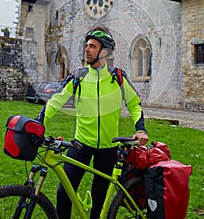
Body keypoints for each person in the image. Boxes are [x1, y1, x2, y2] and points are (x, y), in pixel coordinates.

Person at [37, 27, 148, 219]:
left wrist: (140, 129)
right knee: (64, 194)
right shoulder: (79, 76)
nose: (86, 50)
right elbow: (56, 101)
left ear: (103, 52)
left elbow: (134, 104)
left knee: (99, 199)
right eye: (86, 46)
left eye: (92, 46)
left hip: (108, 147)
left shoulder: (117, 78)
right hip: (81, 144)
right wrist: (39, 122)